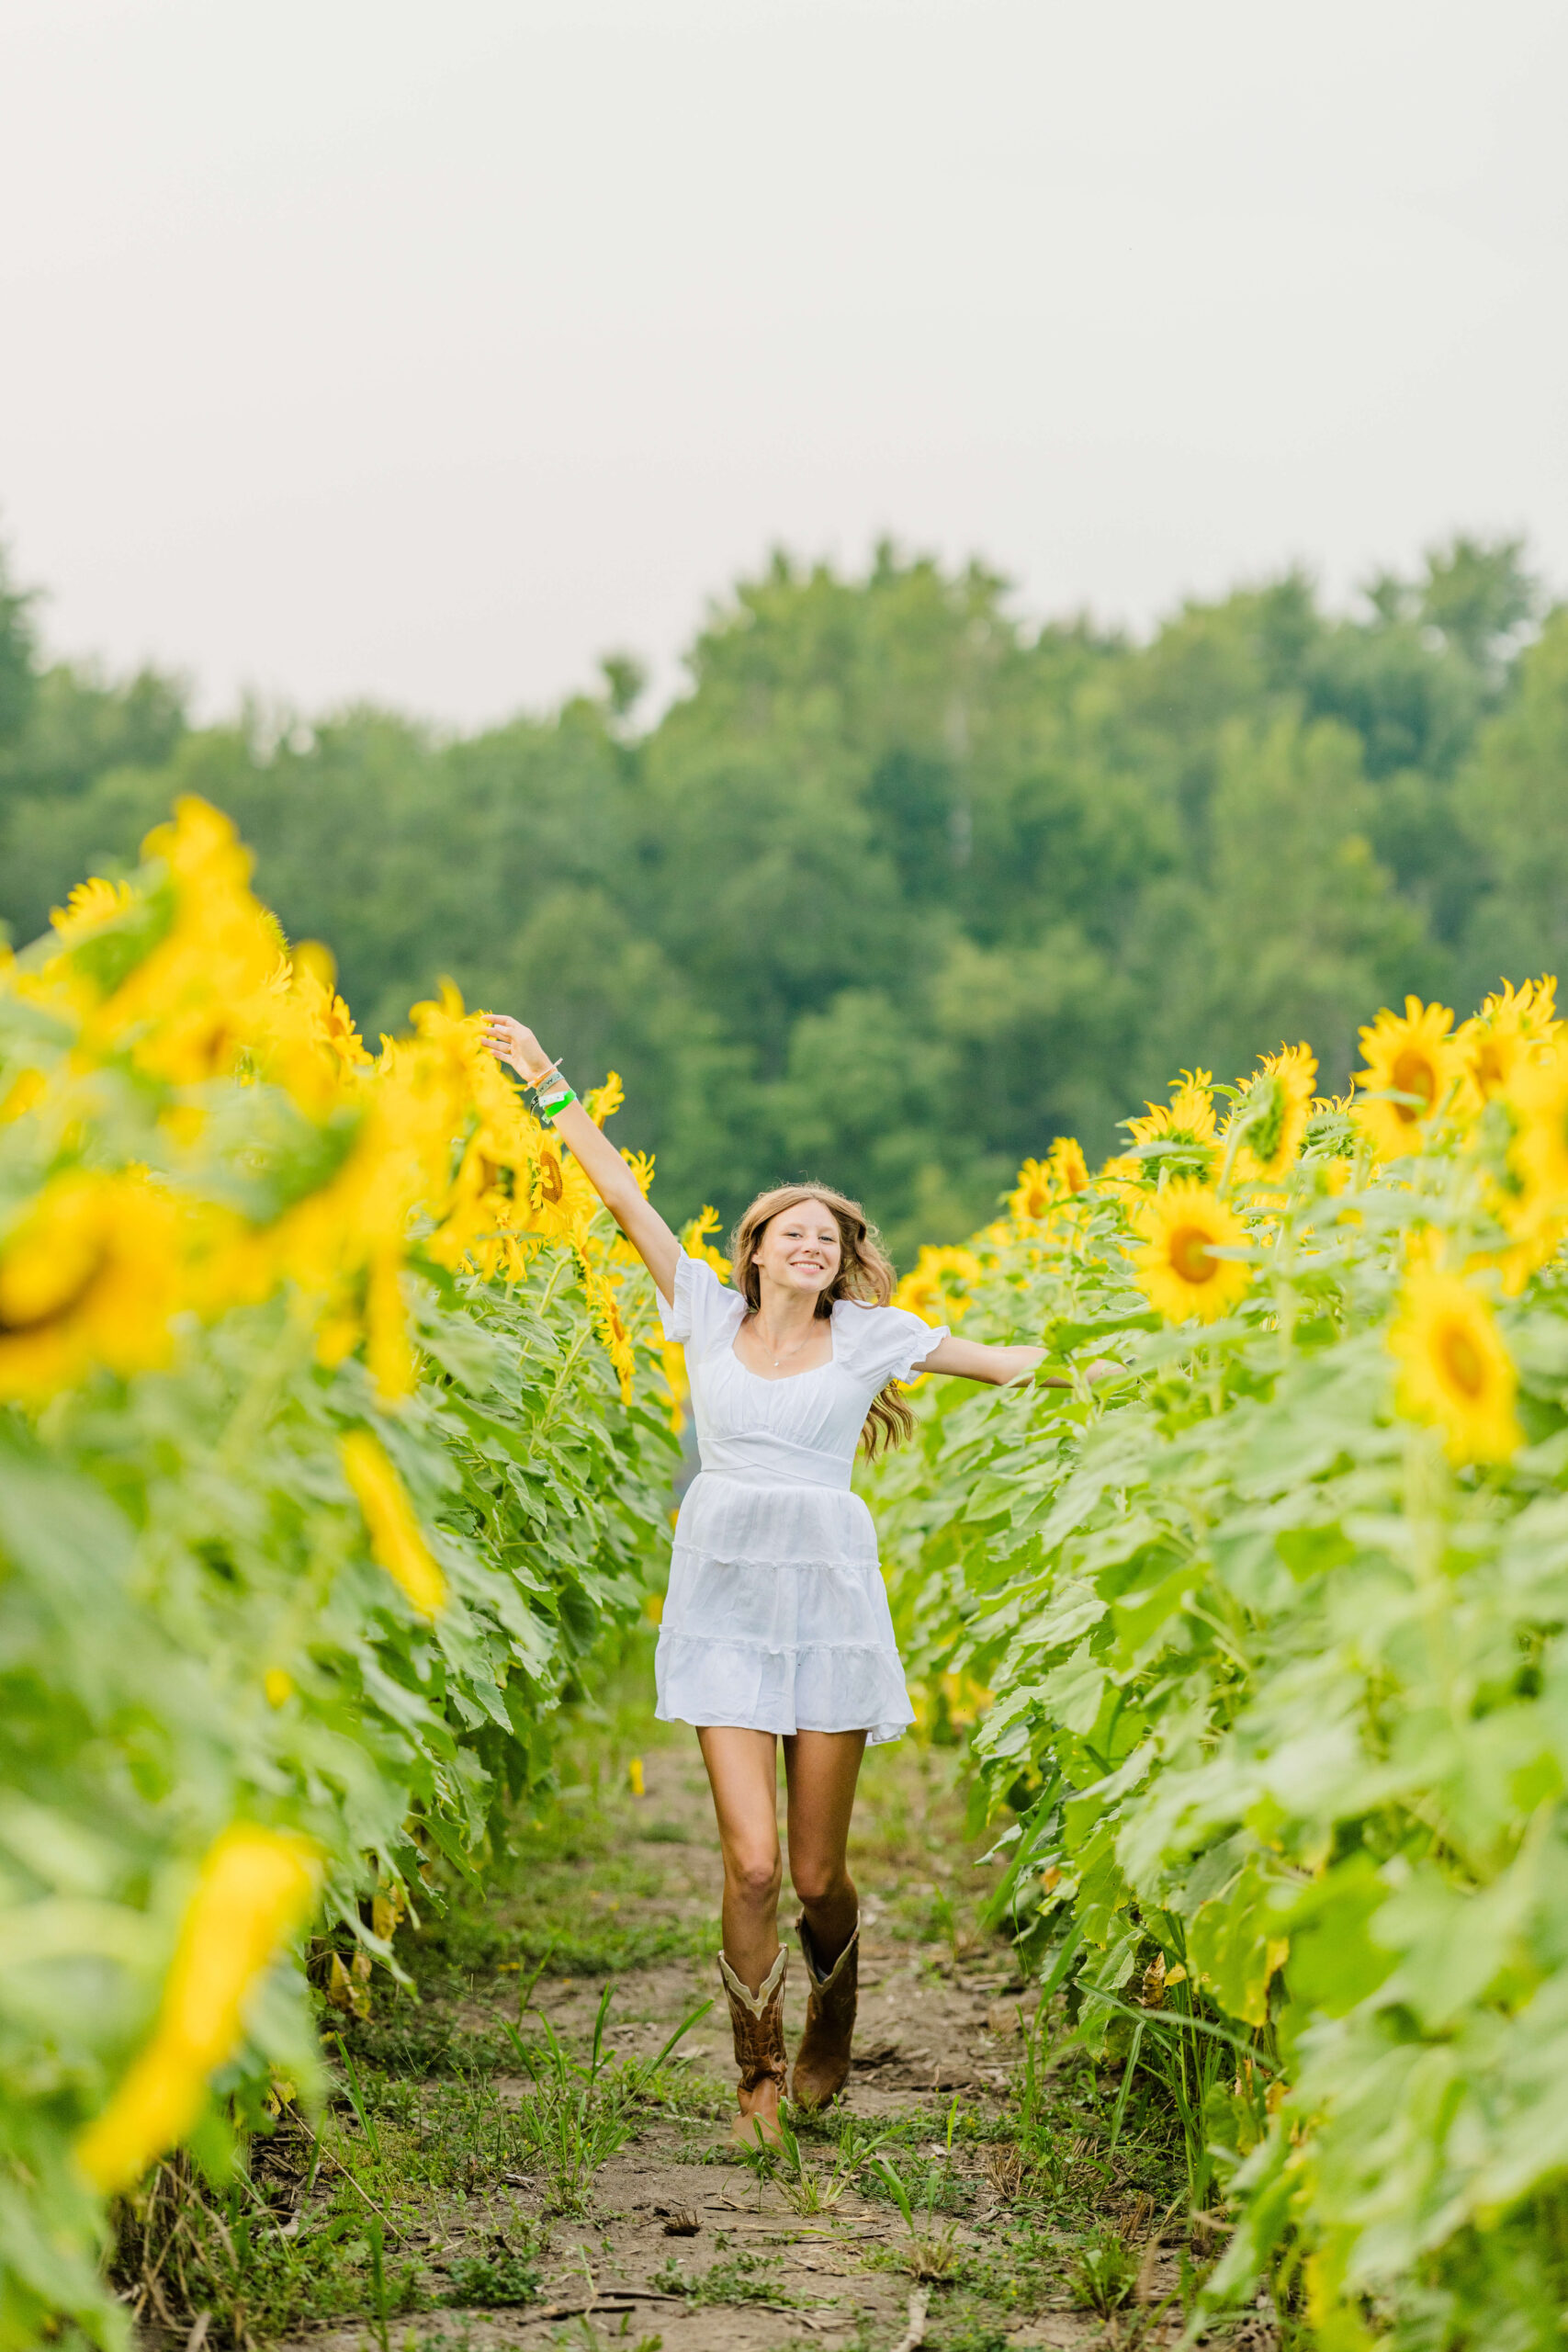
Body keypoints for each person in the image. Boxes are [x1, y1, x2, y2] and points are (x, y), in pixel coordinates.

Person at [484, 1015, 1052, 2147]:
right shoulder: (700, 1310)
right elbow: (617, 1193)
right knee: (748, 1864)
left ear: (844, 1262)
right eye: (793, 1232)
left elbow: (1002, 1364)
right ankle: (755, 2075)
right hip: (726, 1606)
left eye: (829, 1239)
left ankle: (832, 2016)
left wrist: (1091, 1353)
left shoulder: (870, 1336)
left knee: (814, 1873)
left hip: (830, 1610)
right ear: (754, 1250)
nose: (812, 1247)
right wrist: (545, 1080)